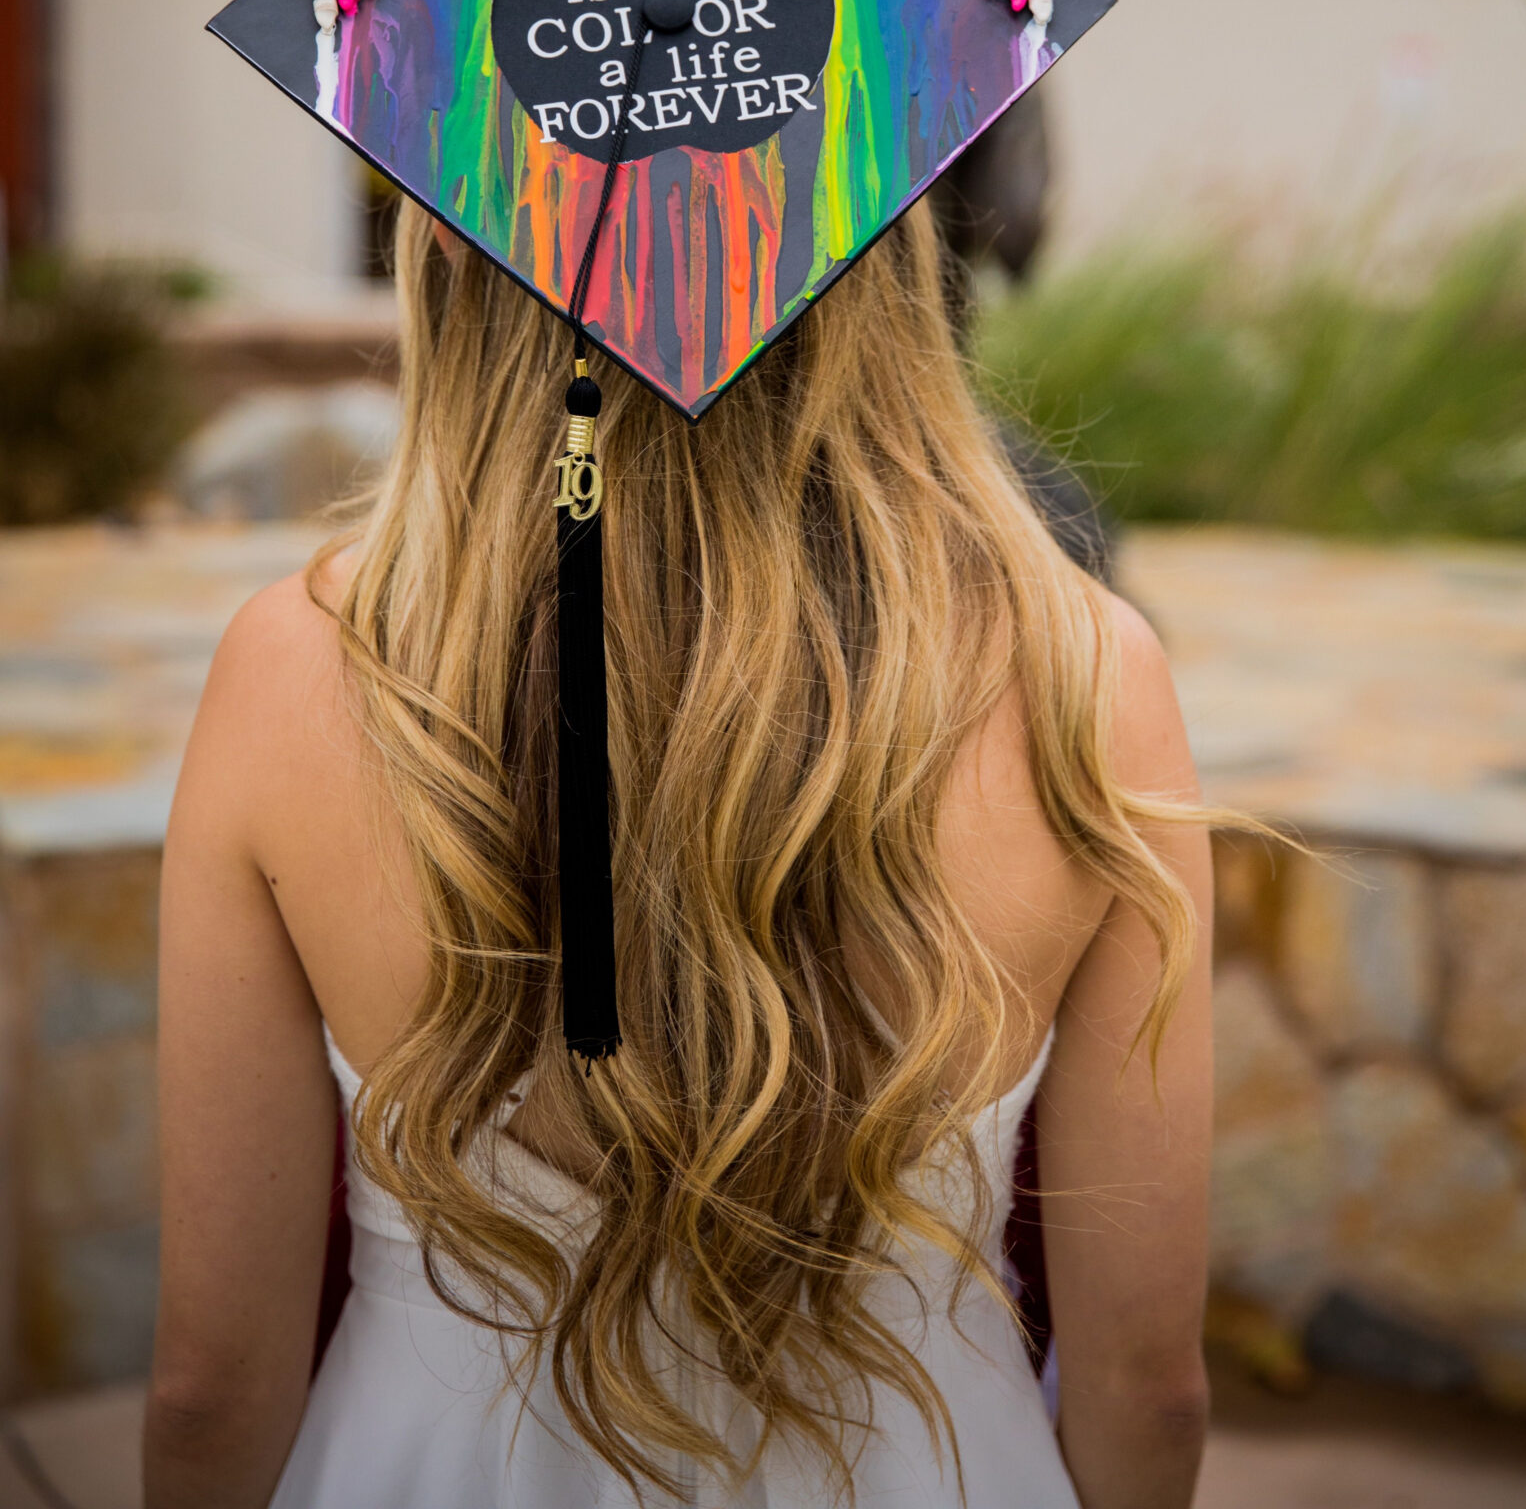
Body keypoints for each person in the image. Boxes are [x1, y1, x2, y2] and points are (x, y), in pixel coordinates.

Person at [147, 198, 1213, 1508]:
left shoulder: (298, 667)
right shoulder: (1084, 673)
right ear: (884, 239)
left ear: (457, 245)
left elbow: (211, 1384)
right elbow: (1148, 1384)